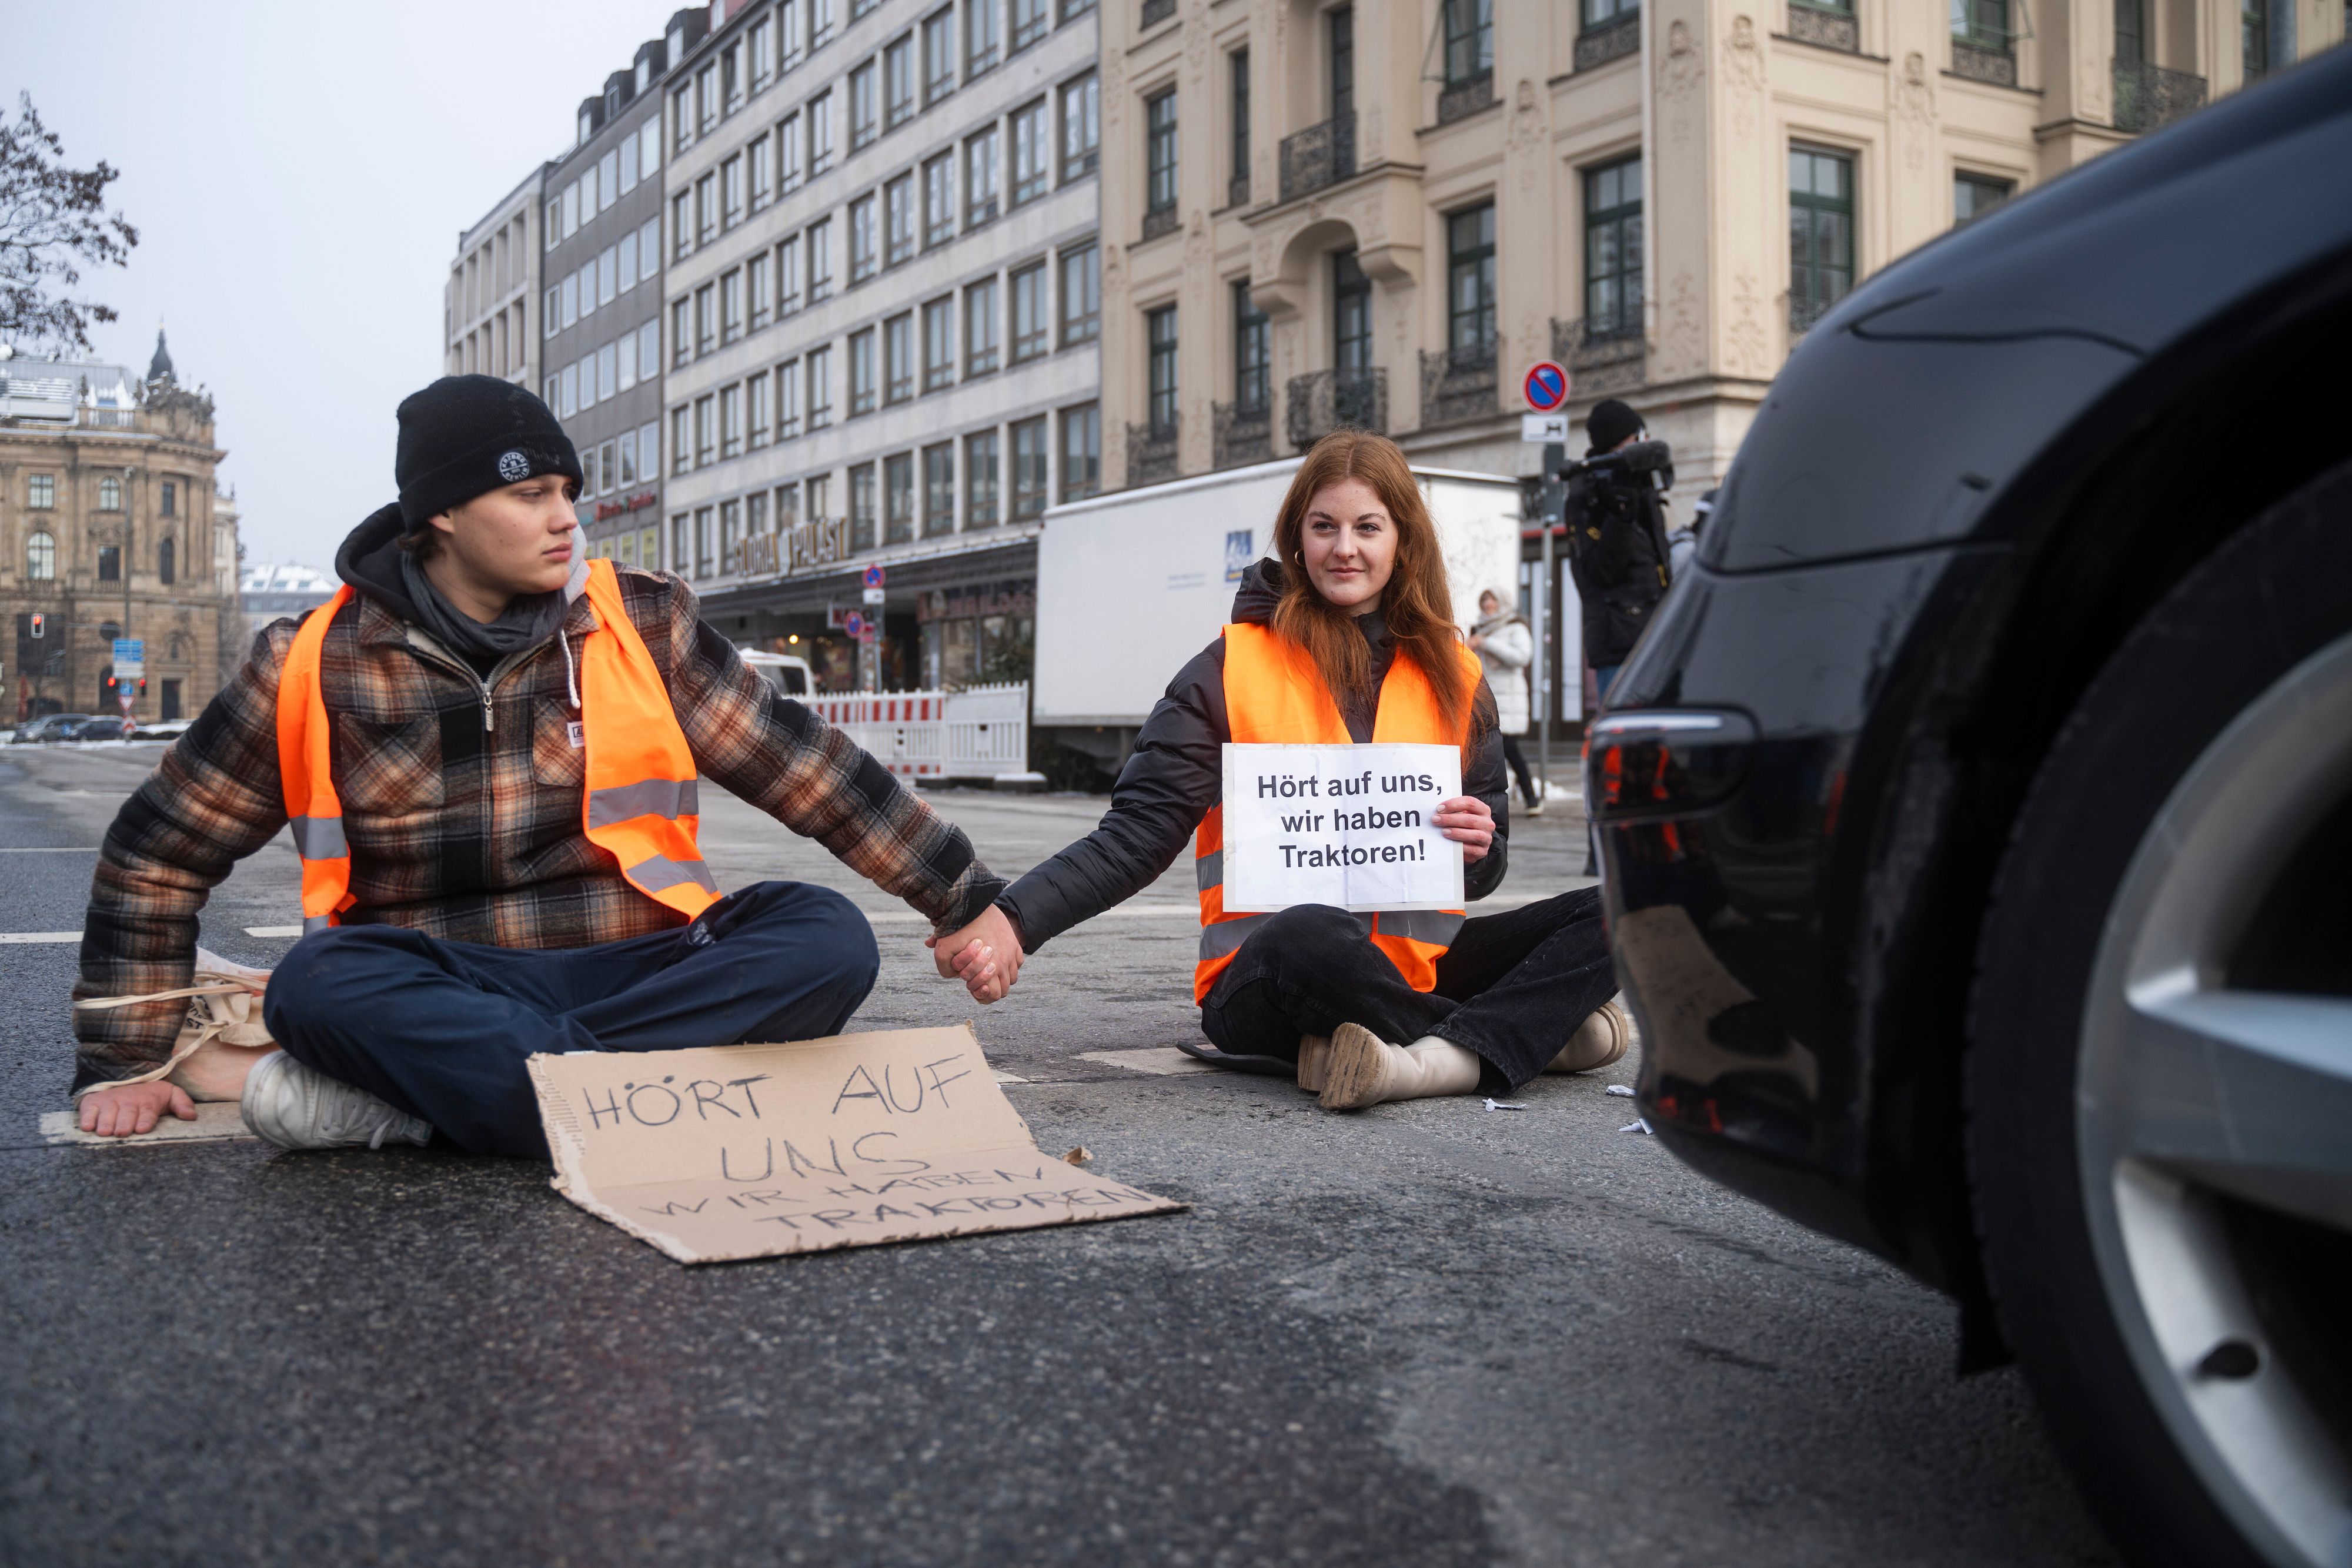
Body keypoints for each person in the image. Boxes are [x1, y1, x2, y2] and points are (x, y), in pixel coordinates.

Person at [69, 376, 1017, 1155]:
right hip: (439, 983)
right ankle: (641, 1097)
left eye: (569, 491)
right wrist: (123, 1059)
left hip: (642, 966)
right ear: (440, 511)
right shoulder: (310, 660)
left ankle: (437, 1108)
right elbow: (160, 850)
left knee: (822, 932)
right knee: (315, 986)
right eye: (531, 495)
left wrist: (968, 898)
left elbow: (812, 771)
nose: (567, 519)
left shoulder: (643, 622)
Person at [989, 432, 1628, 1112]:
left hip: (1411, 973)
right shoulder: (1230, 666)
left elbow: (1484, 863)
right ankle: (1519, 1037)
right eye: (1323, 526)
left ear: (1402, 541)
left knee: (1632, 901)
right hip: (1267, 976)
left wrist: (1479, 847)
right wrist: (1012, 919)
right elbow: (1136, 834)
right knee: (1312, 933)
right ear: (1298, 539)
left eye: (1367, 528)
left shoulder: (1457, 673)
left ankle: (1423, 1054)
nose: (1344, 548)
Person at [1563, 397, 1674, 704]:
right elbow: (1597, 572)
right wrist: (1620, 513)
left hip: (1656, 635)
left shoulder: (1640, 487)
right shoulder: (1587, 494)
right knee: (1626, 738)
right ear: (1619, 444)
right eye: (1639, 437)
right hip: (1620, 645)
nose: (1646, 443)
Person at [1467, 589, 1541, 817]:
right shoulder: (1477, 629)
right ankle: (1493, 803)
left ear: (1504, 602)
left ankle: (1531, 798)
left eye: (1493, 600)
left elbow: (1522, 657)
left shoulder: (1515, 627)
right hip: (1484, 699)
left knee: (1508, 749)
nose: (1488, 604)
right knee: (1487, 752)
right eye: (1485, 599)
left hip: (1508, 701)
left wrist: (1487, 644)